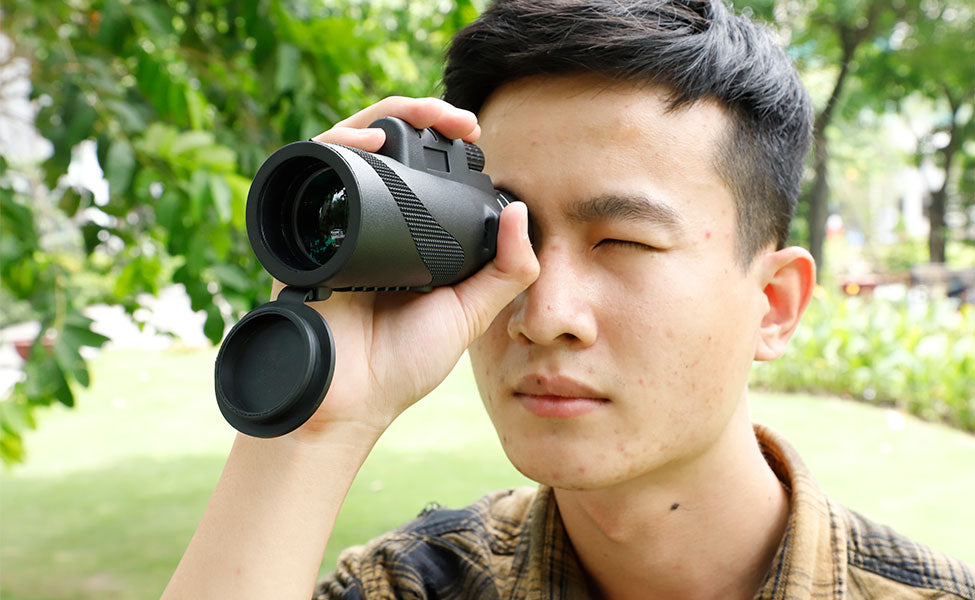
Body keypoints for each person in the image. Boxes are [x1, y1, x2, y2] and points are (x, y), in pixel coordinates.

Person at [163, 1, 975, 598]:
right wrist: (311, 429)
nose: (544, 312)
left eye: (621, 242)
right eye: (495, 238)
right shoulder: (414, 587)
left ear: (774, 304)